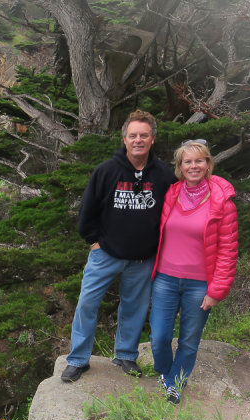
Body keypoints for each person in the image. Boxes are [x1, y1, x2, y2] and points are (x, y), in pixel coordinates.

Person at [61, 110, 178, 383]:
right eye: (133, 135)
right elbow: (87, 210)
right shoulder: (106, 171)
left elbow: (176, 212)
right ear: (124, 139)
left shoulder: (163, 175)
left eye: (144, 135)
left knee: (135, 308)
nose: (138, 140)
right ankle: (78, 359)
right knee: (87, 304)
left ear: (153, 139)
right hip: (106, 254)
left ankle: (125, 355)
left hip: (143, 258)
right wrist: (93, 241)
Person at [149, 140, 238, 404]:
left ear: (208, 164)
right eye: (187, 161)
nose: (193, 166)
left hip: (200, 283)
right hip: (165, 278)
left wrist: (216, 292)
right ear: (180, 167)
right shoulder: (170, 194)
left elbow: (228, 251)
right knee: (159, 337)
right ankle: (166, 374)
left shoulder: (223, 202)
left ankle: (176, 384)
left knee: (188, 340)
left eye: (199, 160)